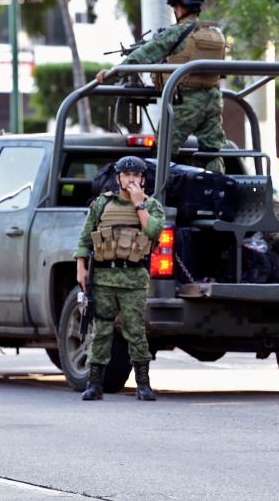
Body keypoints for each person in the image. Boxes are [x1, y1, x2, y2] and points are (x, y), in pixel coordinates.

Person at [97, 0, 227, 173]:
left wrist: (114, 72)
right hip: (213, 99)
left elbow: (145, 54)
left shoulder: (177, 32)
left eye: (176, 8)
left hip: (186, 101)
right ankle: (218, 189)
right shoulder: (215, 33)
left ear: (181, 9)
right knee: (212, 151)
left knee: (162, 151)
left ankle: (158, 194)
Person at [73, 155, 165, 401]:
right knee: (101, 331)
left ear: (143, 179)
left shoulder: (151, 206)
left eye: (136, 175)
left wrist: (138, 205)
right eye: (127, 175)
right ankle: (94, 384)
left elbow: (154, 231)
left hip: (133, 280)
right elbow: (84, 238)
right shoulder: (103, 204)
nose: (131, 179)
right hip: (103, 278)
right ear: (118, 178)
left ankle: (143, 384)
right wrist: (81, 268)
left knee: (135, 331)